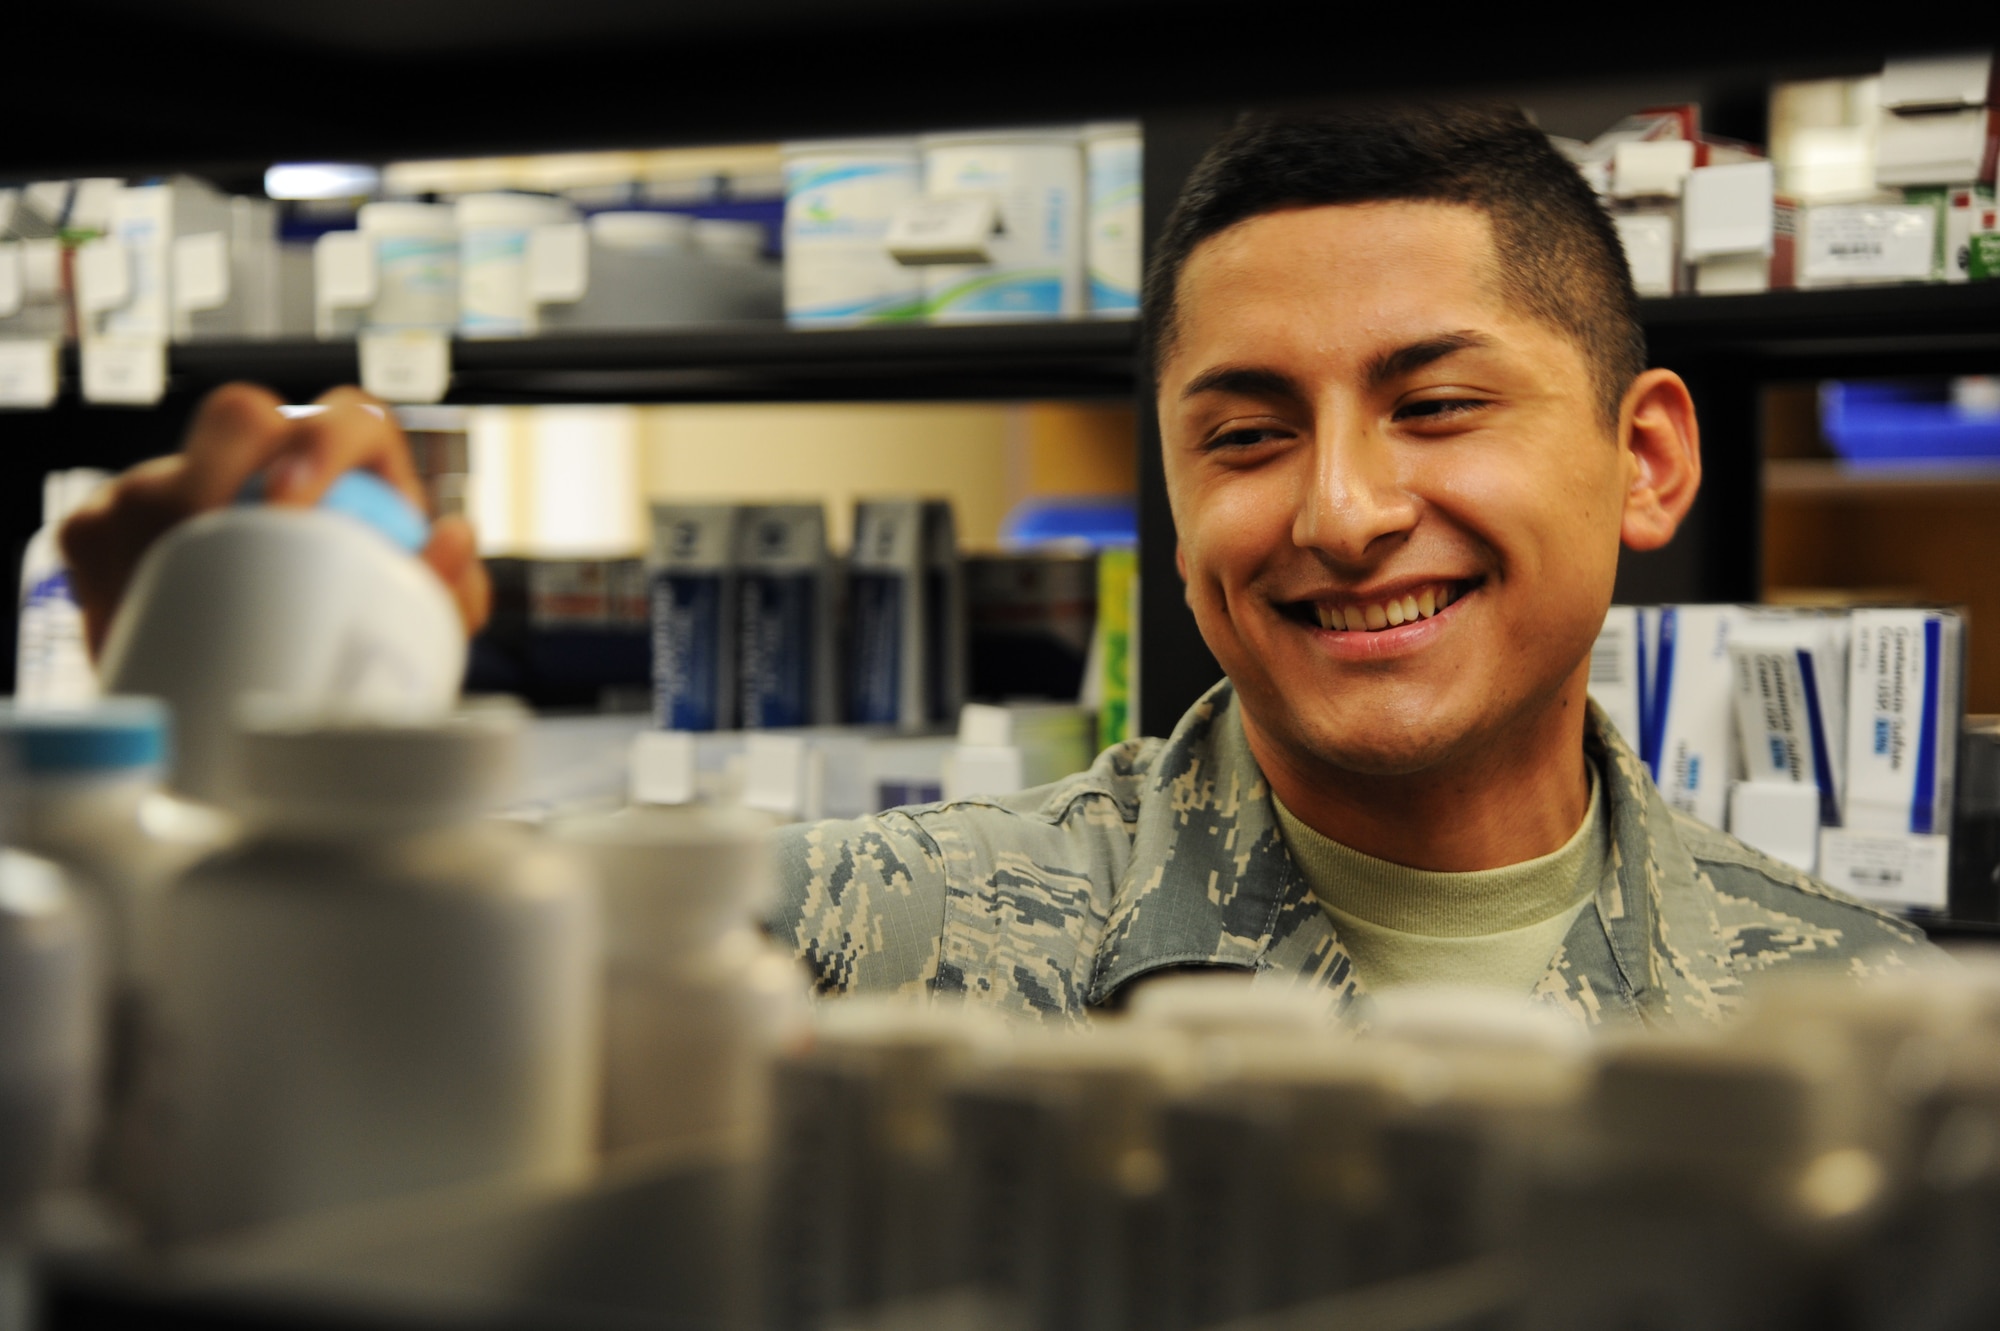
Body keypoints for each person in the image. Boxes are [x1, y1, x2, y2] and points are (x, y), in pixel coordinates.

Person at [61, 105, 1930, 1032]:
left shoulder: (1866, 1015)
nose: (1342, 511)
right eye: (1248, 433)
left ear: (1649, 459)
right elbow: (278, 1027)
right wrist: (219, 726)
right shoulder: (857, 943)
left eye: (1436, 405)